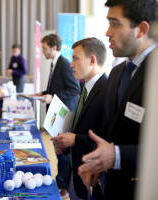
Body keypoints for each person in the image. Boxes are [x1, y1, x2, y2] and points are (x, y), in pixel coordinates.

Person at [78, 1, 158, 200]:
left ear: (141, 29)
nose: (107, 33)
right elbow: (110, 130)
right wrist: (99, 159)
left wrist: (117, 156)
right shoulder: (116, 73)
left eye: (115, 24)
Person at [51, 37, 108, 200]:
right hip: (75, 172)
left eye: (76, 58)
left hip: (91, 177)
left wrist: (75, 140)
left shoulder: (107, 91)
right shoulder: (85, 88)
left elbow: (106, 139)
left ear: (92, 60)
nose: (71, 64)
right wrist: (66, 145)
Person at [36, 33, 80, 199]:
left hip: (63, 115)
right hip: (57, 114)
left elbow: (74, 90)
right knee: (58, 150)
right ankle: (61, 182)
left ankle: (63, 186)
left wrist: (53, 97)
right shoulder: (56, 63)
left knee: (62, 152)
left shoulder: (64, 63)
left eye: (45, 48)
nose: (43, 51)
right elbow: (57, 87)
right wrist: (45, 93)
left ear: (54, 47)